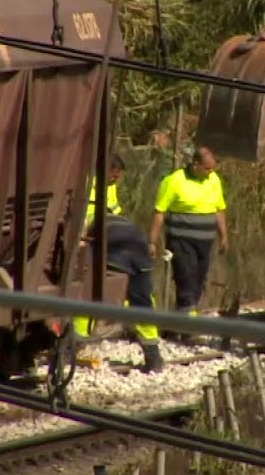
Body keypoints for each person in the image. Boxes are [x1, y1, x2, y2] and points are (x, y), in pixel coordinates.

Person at [70, 211, 165, 372]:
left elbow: (84, 252)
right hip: (141, 255)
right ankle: (153, 357)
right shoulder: (125, 223)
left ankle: (74, 346)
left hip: (116, 253)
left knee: (87, 295)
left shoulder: (94, 225)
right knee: (143, 302)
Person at [149, 146, 228, 320]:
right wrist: (152, 241)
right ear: (195, 164)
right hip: (181, 240)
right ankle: (187, 320)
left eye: (212, 168)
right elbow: (159, 212)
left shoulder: (214, 180)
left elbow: (219, 210)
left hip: (205, 242)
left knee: (199, 279)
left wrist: (224, 236)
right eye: (207, 168)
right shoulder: (174, 181)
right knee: (186, 277)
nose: (210, 172)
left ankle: (183, 317)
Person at [85, 154, 126, 229]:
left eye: (118, 177)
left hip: (101, 225)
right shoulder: (87, 182)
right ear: (106, 170)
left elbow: (114, 208)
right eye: (114, 177)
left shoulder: (111, 186)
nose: (116, 180)